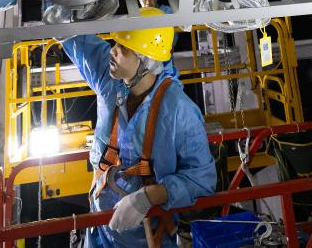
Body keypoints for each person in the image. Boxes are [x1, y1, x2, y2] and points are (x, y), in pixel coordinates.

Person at [61, 14, 216, 247]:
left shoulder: (178, 111)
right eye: (115, 43)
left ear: (146, 61)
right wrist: (60, 17)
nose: (113, 50)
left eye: (123, 47)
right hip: (100, 231)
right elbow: (76, 39)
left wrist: (150, 196)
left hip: (147, 236)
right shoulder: (111, 80)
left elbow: (202, 180)